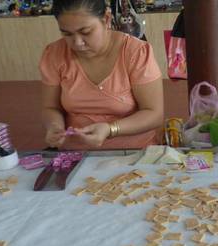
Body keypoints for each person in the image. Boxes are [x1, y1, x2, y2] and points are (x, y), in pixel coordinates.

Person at [40, 0, 164, 150]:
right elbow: (51, 107)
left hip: (134, 151)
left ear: (106, 18)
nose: (77, 43)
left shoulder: (135, 53)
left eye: (86, 32)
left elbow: (154, 114)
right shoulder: (55, 54)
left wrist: (111, 129)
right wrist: (54, 126)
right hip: (77, 152)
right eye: (67, 34)